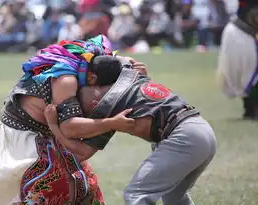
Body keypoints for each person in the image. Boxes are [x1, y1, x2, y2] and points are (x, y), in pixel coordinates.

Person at [0, 35, 136, 205]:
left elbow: (117, 58)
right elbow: (70, 128)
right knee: (51, 186)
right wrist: (111, 123)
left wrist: (127, 65)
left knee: (83, 185)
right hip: (25, 136)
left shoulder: (93, 57)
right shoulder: (66, 81)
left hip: (48, 130)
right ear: (92, 79)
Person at [45, 66, 217, 205]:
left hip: (183, 137)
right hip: (201, 129)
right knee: (175, 197)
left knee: (137, 194)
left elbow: (82, 152)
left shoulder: (106, 108)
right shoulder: (131, 75)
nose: (85, 113)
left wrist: (54, 126)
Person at [217, 0, 258, 120]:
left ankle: (251, 108)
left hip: (244, 33)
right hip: (241, 33)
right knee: (245, 75)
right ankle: (250, 107)